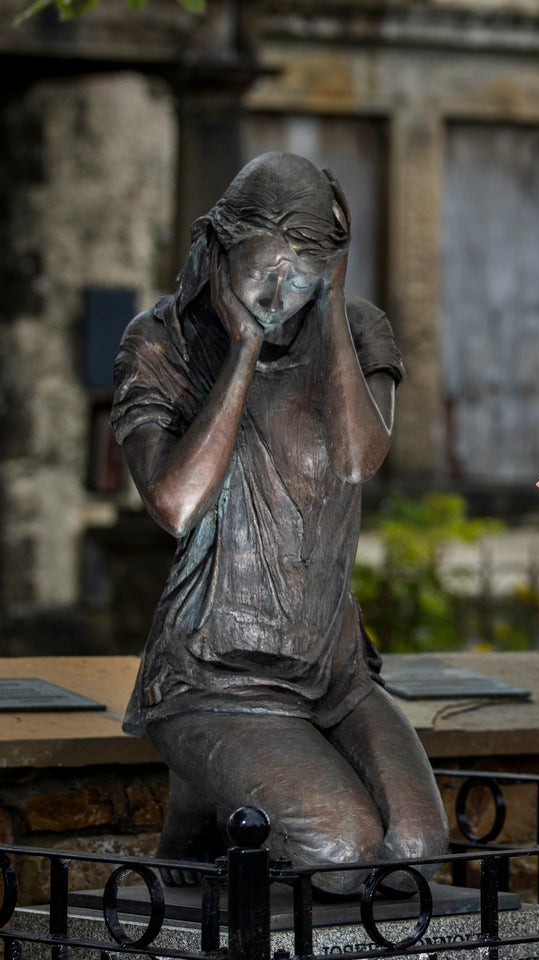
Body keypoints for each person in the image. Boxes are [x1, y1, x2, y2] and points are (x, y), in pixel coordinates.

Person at [111, 152, 449, 895]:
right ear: (219, 250)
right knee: (339, 851)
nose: (276, 294)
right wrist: (242, 350)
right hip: (215, 675)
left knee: (416, 852)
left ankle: (209, 810)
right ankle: (214, 785)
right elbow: (175, 503)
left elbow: (361, 459)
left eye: (300, 277)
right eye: (260, 273)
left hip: (334, 672)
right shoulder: (161, 341)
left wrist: (330, 311)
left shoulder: (358, 332)